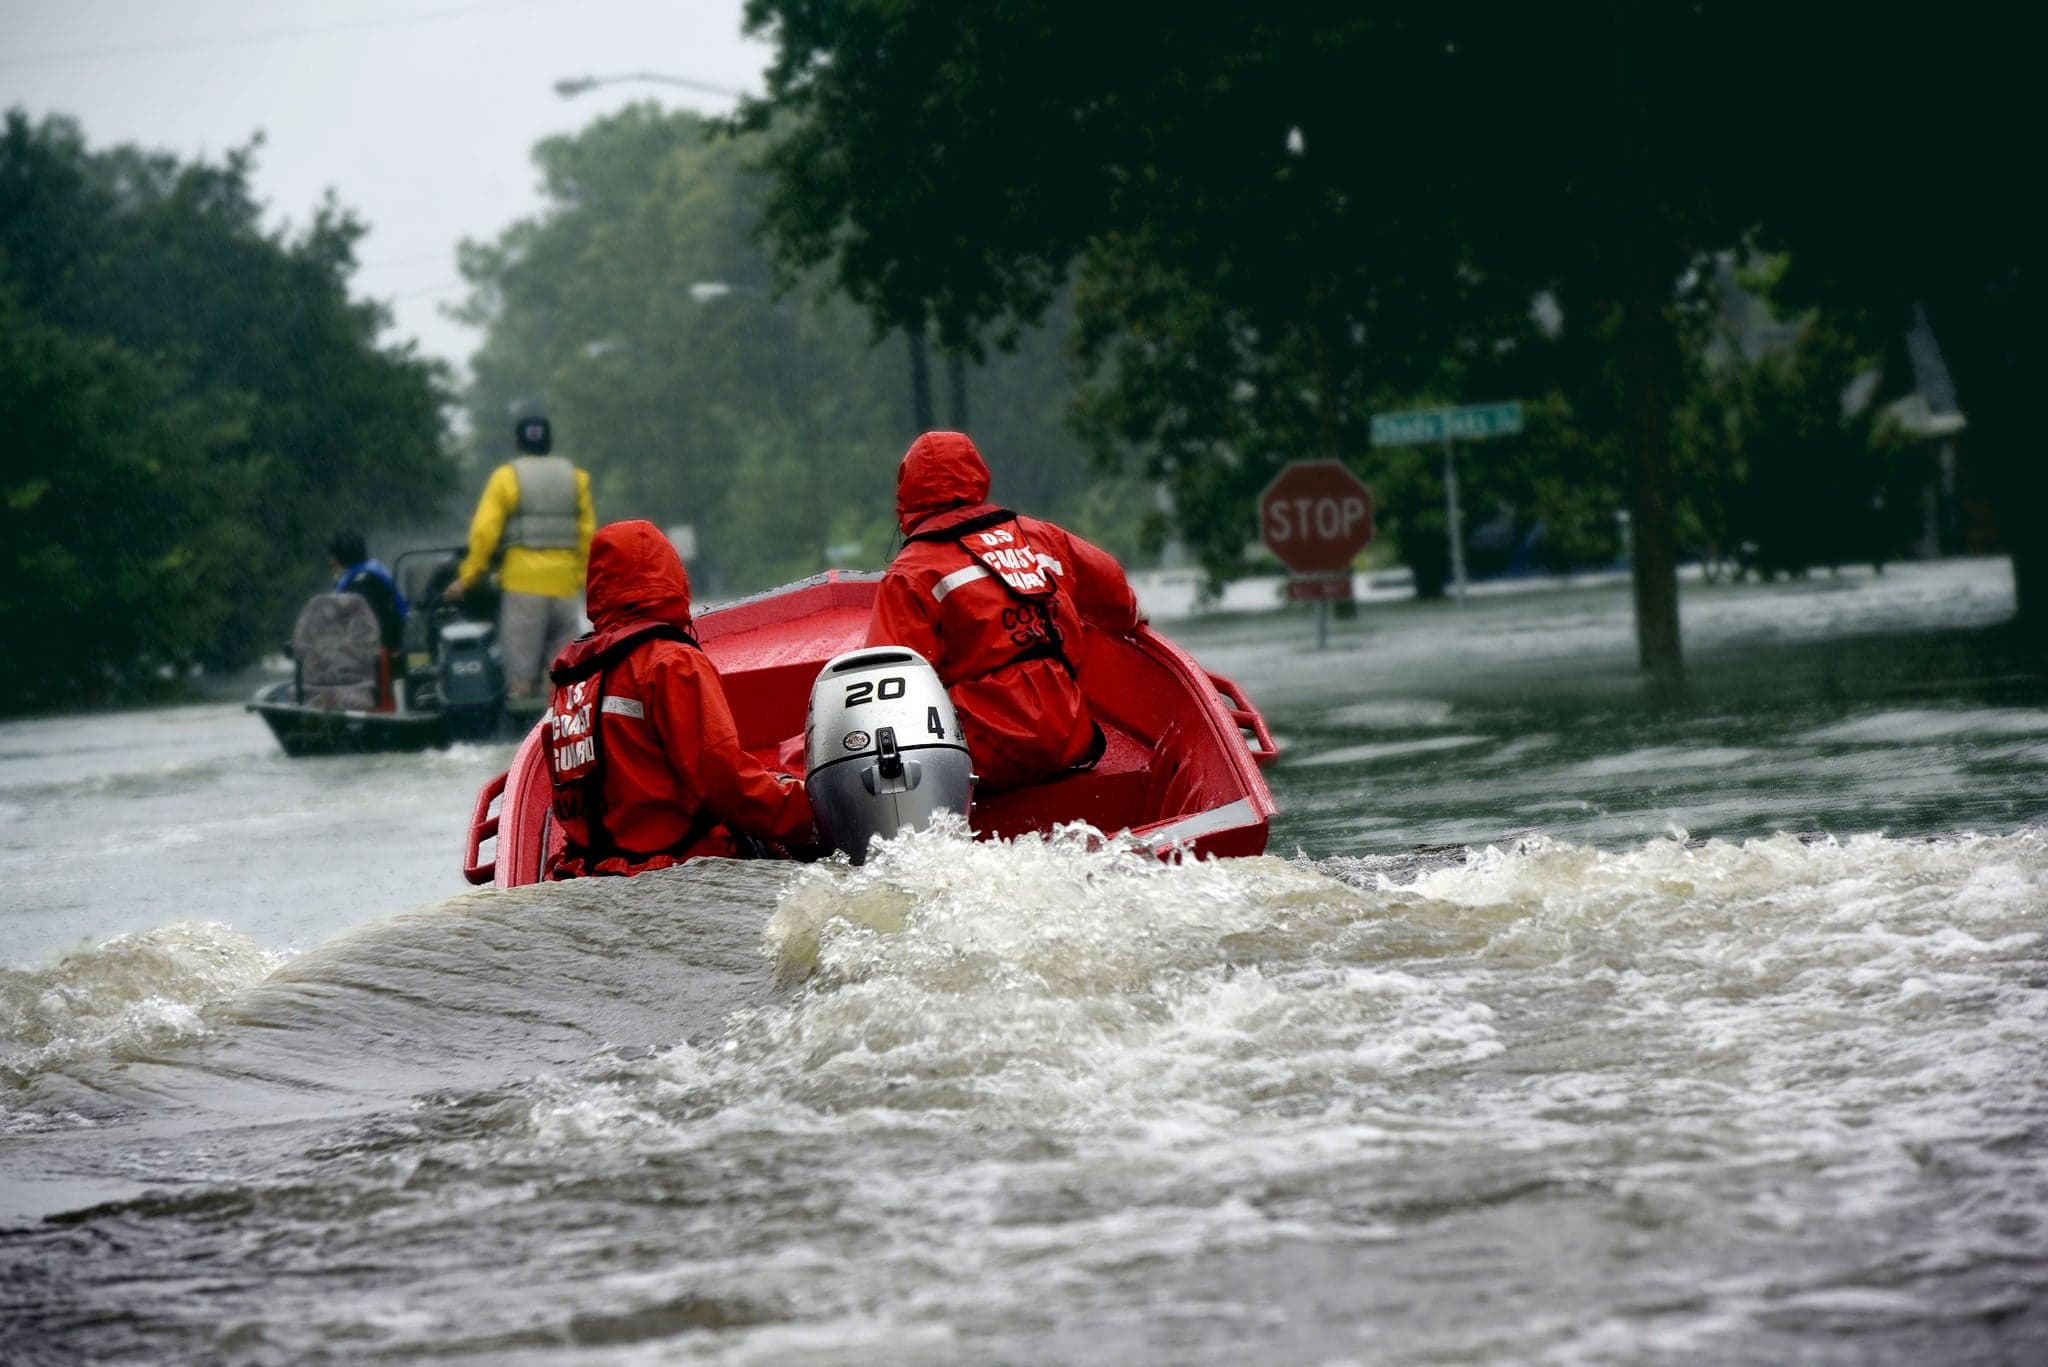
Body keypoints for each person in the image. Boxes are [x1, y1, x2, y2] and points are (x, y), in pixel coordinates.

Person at [865, 430, 1142, 793]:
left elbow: (887, 684)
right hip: (1069, 736)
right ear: (978, 474)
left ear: (907, 493)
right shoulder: (1041, 536)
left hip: (985, 755)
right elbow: (1119, 600)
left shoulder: (910, 573)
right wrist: (1134, 615)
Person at [544, 520, 816, 879]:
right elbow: (724, 782)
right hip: (675, 868)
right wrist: (807, 813)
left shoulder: (573, 676)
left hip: (585, 872)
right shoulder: (671, 661)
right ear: (671, 575)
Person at [444, 414, 595, 702]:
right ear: (550, 441)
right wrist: (580, 579)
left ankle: (521, 733)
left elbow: (484, 532)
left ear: (517, 443)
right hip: (564, 587)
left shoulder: (507, 477)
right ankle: (560, 734)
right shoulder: (576, 478)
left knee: (521, 676)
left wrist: (469, 577)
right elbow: (588, 535)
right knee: (562, 676)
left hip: (523, 586)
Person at [327, 530, 407, 653]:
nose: (330, 562)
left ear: (336, 559)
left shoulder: (353, 584)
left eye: (331, 557)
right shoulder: (376, 572)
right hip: (396, 640)